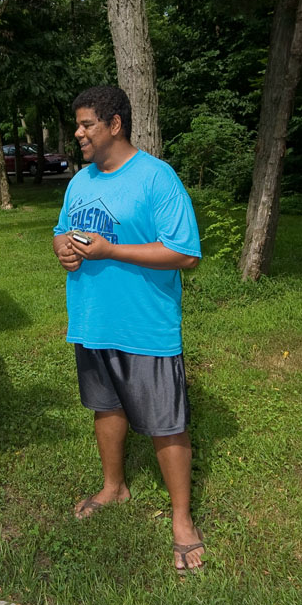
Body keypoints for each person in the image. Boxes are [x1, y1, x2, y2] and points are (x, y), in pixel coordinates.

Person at [52, 86, 205, 573]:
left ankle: (182, 519)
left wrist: (110, 250)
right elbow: (62, 230)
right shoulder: (80, 182)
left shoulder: (157, 179)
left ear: (115, 124)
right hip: (94, 322)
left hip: (145, 326)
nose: (78, 133)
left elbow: (185, 253)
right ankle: (114, 486)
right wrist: (62, 247)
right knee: (105, 406)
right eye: (77, 125)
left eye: (86, 125)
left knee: (166, 423)